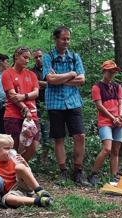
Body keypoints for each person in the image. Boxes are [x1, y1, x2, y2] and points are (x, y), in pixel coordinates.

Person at [42, 26, 88, 185]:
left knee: (80, 136)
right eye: (63, 39)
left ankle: (78, 171)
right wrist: (71, 74)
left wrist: (60, 79)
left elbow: (82, 80)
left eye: (68, 39)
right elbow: (50, 79)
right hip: (54, 103)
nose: (66, 42)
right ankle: (62, 171)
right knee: (59, 138)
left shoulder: (75, 57)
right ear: (56, 39)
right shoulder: (48, 57)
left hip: (74, 101)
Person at [0, 134, 53, 208]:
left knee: (19, 167)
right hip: (12, 192)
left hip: (22, 184)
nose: (10, 151)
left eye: (11, 148)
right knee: (7, 199)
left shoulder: (13, 159)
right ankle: (39, 201)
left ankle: (40, 191)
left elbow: (28, 174)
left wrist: (25, 165)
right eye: (6, 148)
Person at [88, 60, 122, 186]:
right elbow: (99, 106)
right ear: (104, 71)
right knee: (107, 148)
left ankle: (114, 177)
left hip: (118, 121)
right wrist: (112, 117)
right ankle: (93, 174)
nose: (112, 74)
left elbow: (120, 103)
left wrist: (119, 116)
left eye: (113, 71)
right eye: (109, 71)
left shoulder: (117, 86)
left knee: (115, 151)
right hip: (105, 121)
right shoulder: (96, 87)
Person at [1, 46, 39, 161]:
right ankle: (13, 174)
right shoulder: (7, 74)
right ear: (16, 56)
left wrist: (24, 96)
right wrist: (24, 108)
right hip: (13, 115)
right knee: (14, 147)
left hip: (32, 115)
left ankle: (19, 168)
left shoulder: (31, 74)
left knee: (33, 146)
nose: (27, 61)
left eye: (29, 59)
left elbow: (36, 93)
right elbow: (12, 96)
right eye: (25, 57)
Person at [31, 48, 51, 163]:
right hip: (35, 105)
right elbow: (30, 85)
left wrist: (39, 83)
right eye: (36, 57)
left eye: (40, 56)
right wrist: (44, 84)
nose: (38, 59)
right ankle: (35, 158)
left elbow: (54, 83)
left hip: (50, 105)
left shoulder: (50, 69)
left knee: (47, 133)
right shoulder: (31, 72)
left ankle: (44, 158)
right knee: (34, 131)